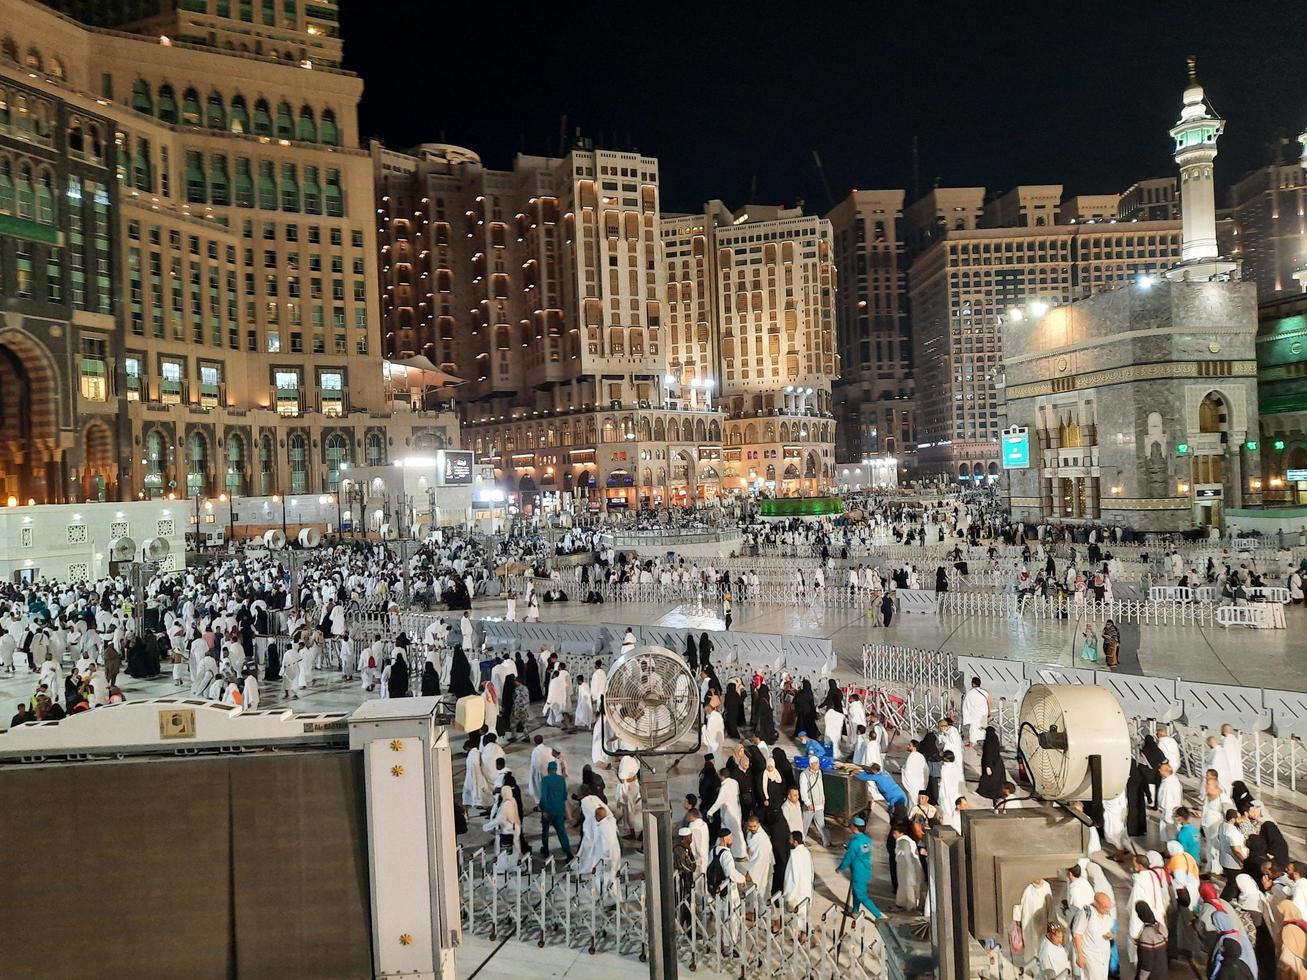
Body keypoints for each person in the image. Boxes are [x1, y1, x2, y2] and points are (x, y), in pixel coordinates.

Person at [836, 816, 882, 918]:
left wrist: (840, 868)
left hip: (857, 872)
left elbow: (849, 858)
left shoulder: (854, 842)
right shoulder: (866, 839)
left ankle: (878, 916)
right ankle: (855, 911)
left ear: (855, 827)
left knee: (862, 896)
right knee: (856, 892)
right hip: (865, 870)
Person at [1071, 892, 1116, 980]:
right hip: (1091, 956)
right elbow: (1077, 934)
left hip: (1104, 956)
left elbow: (1108, 928)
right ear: (1097, 904)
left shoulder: (1108, 913)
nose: (1108, 910)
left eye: (1109, 907)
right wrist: (1079, 955)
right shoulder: (1086, 913)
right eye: (1105, 907)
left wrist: (1111, 935)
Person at [1014, 877, 1052, 965]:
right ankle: (1030, 964)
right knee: (1029, 944)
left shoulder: (1046, 886)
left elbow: (1050, 904)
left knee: (1041, 944)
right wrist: (1018, 920)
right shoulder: (1026, 887)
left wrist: (1050, 918)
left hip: (1042, 921)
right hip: (1028, 922)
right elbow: (1018, 904)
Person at [539, 761, 572, 860]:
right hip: (559, 810)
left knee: (545, 831)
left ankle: (545, 850)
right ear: (556, 769)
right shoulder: (562, 780)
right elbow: (564, 796)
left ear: (548, 769)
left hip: (548, 810)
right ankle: (568, 852)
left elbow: (543, 797)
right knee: (561, 831)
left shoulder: (545, 780)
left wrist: (543, 809)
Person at [782, 831, 814, 935]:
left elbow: (792, 877)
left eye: (790, 839)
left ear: (795, 842)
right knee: (804, 915)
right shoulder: (806, 852)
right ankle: (804, 936)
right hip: (806, 888)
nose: (789, 841)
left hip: (797, 891)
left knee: (797, 917)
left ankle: (799, 939)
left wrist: (788, 894)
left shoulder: (795, 856)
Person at [1132, 901, 1169, 980]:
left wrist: (1141, 978)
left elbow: (1147, 964)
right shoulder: (1159, 926)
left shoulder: (1146, 934)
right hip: (1162, 971)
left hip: (1152, 976)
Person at [799, 756, 830, 846]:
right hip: (810, 805)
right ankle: (801, 840)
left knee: (821, 825)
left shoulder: (819, 772)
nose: (818, 765)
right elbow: (803, 791)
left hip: (819, 804)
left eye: (818, 763)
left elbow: (821, 787)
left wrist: (823, 801)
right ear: (811, 765)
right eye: (816, 763)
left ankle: (826, 842)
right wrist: (808, 803)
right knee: (805, 825)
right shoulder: (804, 775)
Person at [892, 824, 922, 911]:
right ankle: (902, 904)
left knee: (908, 887)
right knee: (906, 887)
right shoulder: (906, 840)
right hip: (907, 868)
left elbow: (906, 857)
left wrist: (909, 871)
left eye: (895, 833)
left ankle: (910, 906)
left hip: (907, 869)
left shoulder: (903, 842)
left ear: (901, 833)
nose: (893, 835)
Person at [743, 814, 774, 899]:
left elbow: (761, 858)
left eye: (754, 826)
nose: (752, 828)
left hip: (762, 866)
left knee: (762, 891)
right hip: (753, 863)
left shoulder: (762, 838)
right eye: (750, 826)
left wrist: (751, 872)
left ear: (759, 825)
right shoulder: (750, 833)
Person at [976, 726, 1006, 801]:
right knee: (997, 779)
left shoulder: (989, 740)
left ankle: (984, 792)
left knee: (988, 779)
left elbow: (988, 753)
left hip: (991, 763)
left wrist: (988, 766)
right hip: (997, 762)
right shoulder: (995, 737)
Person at [961, 676, 991, 746]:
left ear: (973, 684)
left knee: (974, 728)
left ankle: (973, 742)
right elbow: (989, 701)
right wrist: (989, 711)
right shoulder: (985, 692)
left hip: (974, 713)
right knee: (983, 726)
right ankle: (984, 740)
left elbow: (966, 705)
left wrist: (966, 715)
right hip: (984, 712)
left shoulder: (970, 693)